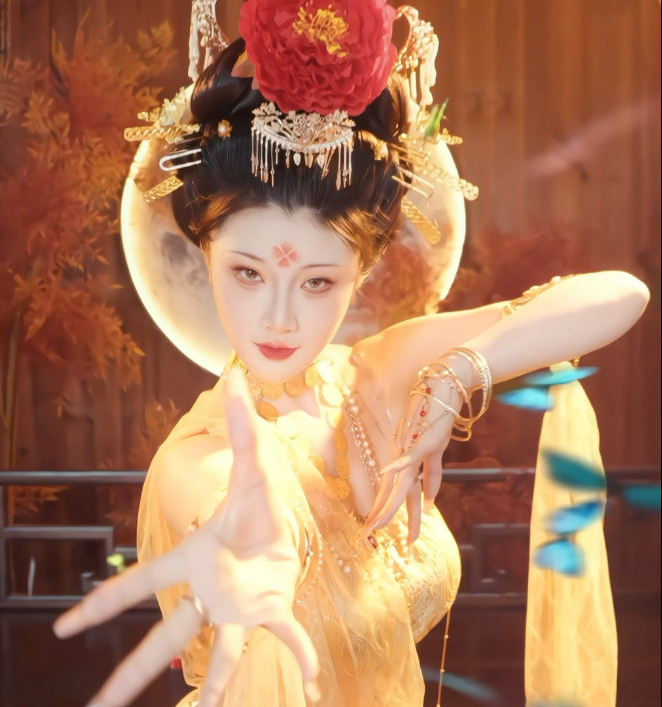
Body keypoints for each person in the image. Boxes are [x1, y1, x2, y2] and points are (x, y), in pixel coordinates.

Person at [53, 2, 650, 706]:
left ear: (360, 275)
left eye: (317, 282)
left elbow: (620, 296)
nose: (278, 317)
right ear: (205, 253)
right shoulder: (200, 463)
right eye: (247, 273)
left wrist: (458, 375)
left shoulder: (379, 374)